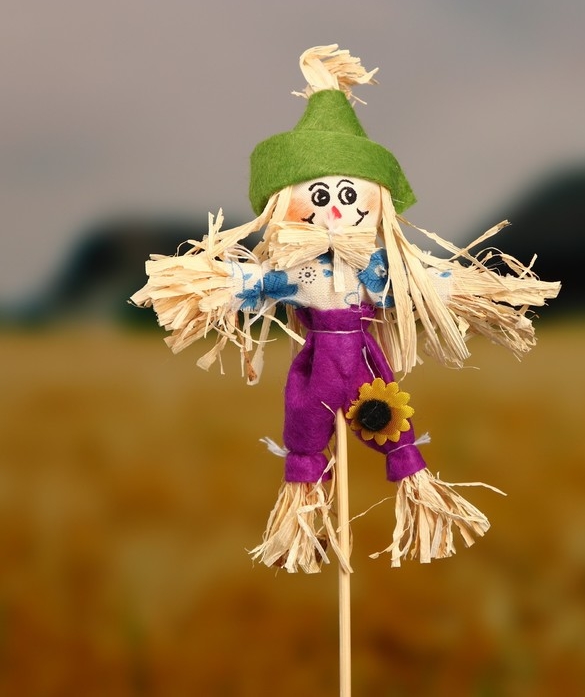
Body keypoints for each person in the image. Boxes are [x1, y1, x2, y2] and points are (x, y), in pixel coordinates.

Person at [132, 45, 559, 572]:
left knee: (395, 433)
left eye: (350, 195)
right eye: (319, 195)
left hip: (362, 366)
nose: (336, 206)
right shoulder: (298, 275)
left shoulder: (375, 271)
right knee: (305, 436)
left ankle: (423, 501)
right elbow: (257, 283)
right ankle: (301, 522)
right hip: (316, 369)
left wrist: (475, 294)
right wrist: (203, 287)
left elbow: (422, 286)